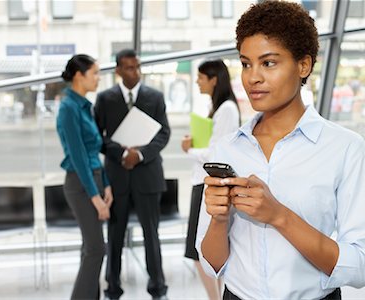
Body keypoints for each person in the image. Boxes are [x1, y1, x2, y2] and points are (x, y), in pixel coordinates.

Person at [196, 2, 365, 300]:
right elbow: (212, 263)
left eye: (268, 63)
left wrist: (279, 215)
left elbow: (360, 266)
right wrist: (219, 219)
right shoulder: (226, 149)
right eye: (245, 63)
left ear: (303, 65)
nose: (252, 77)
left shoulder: (345, 148)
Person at [94, 49, 170, 300]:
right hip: (117, 179)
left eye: (137, 67)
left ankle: (158, 287)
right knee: (114, 236)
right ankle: (112, 287)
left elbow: (163, 133)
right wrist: (121, 154)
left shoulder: (155, 97)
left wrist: (140, 155)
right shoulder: (105, 99)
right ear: (117, 70)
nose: (134, 72)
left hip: (147, 176)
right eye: (128, 68)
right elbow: (98, 138)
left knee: (152, 234)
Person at [181, 59, 240, 299]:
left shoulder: (226, 109)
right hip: (204, 182)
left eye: (201, 77)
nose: (197, 81)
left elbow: (216, 154)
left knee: (198, 253)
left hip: (207, 183)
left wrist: (189, 149)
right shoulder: (220, 108)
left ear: (214, 79)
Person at [56, 54, 113, 300]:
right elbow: (79, 158)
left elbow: (93, 150)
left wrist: (107, 185)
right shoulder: (69, 108)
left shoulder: (83, 105)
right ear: (79, 76)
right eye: (95, 73)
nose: (99, 78)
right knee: (96, 249)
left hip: (95, 178)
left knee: (90, 248)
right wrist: (95, 197)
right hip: (81, 183)